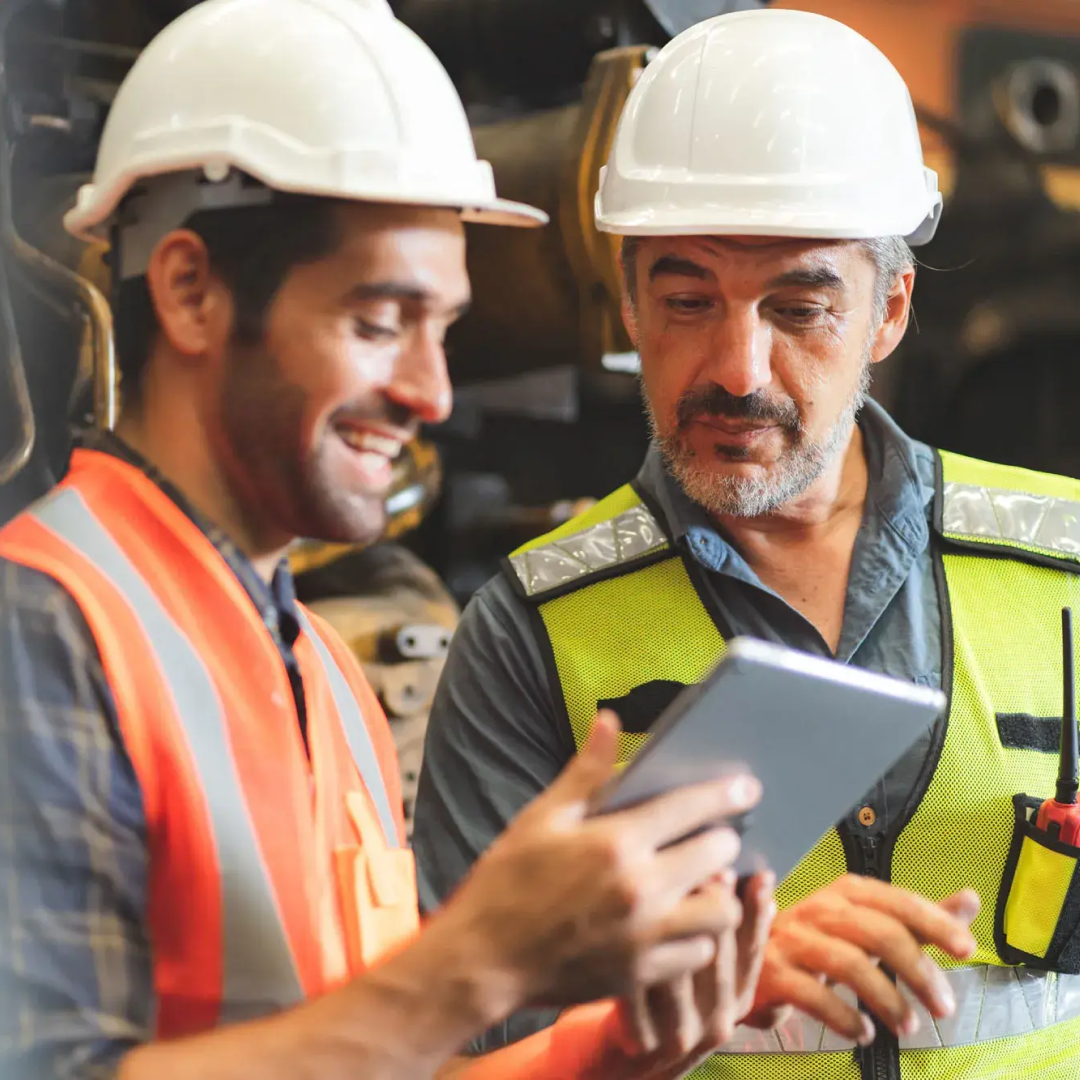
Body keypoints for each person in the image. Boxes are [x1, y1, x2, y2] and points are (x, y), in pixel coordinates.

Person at [0, 2, 782, 1078]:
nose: (430, 390)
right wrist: (479, 964)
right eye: (378, 322)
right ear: (189, 290)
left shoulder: (326, 673)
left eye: (444, 330)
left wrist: (630, 1041)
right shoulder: (39, 625)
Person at [413, 9, 1080, 1080]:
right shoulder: (531, 636)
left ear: (889, 310)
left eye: (801, 306)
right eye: (687, 300)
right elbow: (457, 1054)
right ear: (628, 302)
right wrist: (684, 988)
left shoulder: (1068, 570)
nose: (737, 368)